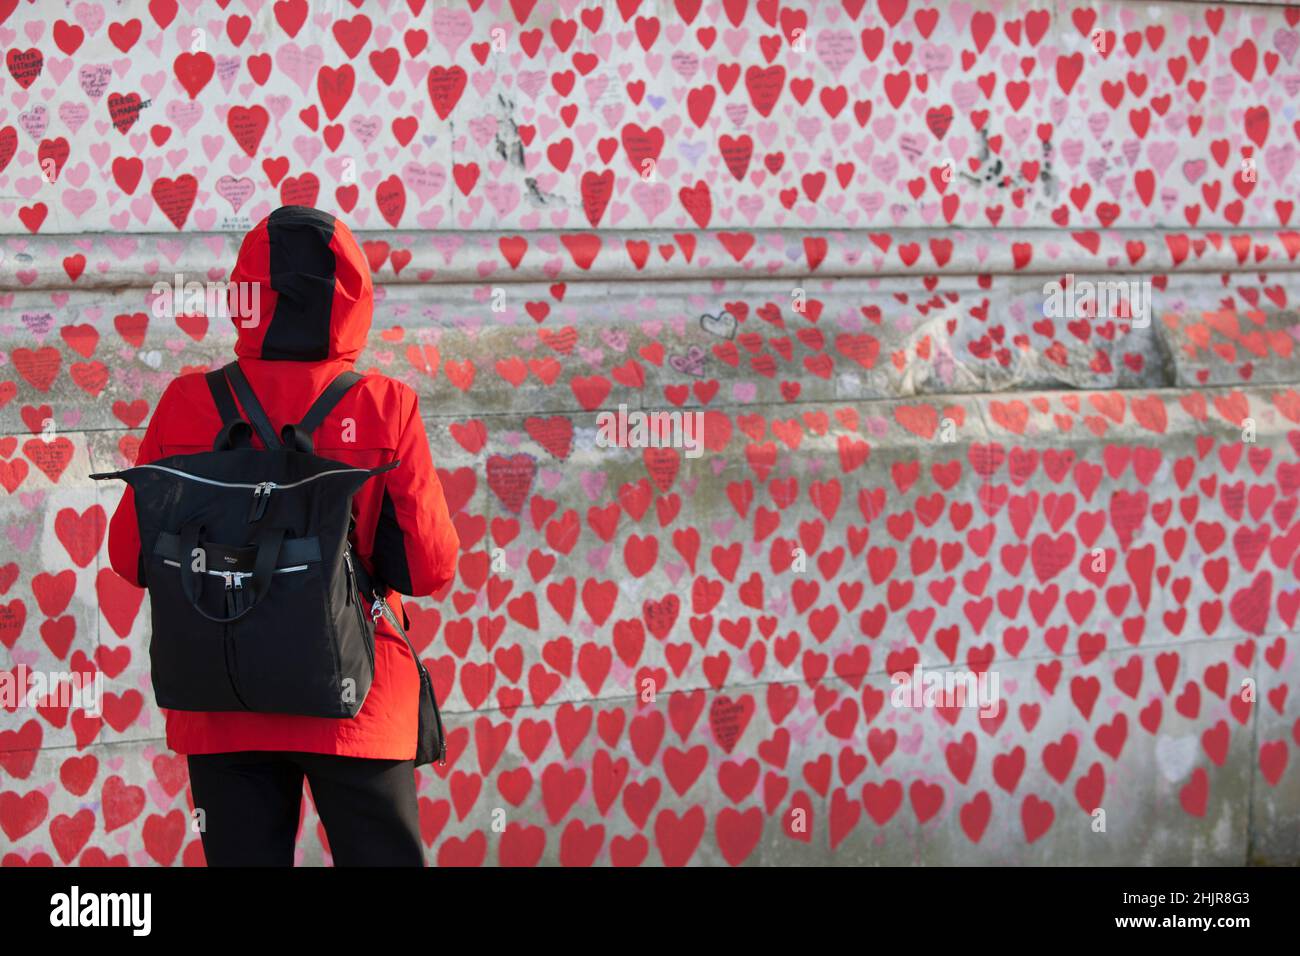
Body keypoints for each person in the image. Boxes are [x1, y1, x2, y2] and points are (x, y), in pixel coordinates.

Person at [105, 206, 461, 866]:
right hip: (355, 700)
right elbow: (431, 568)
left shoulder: (186, 403)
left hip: (223, 699)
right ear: (354, 296)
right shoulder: (385, 405)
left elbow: (130, 556)